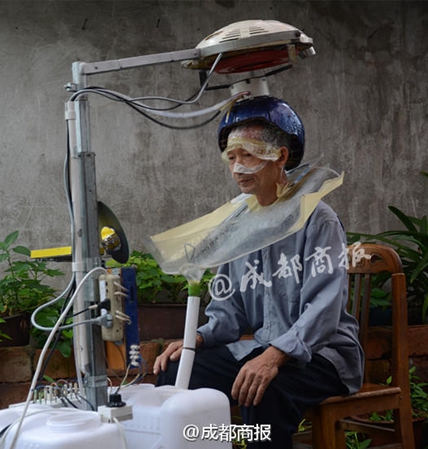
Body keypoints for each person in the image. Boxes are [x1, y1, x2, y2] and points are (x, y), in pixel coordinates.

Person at [153, 95, 364, 449]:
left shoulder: (318, 219)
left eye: (248, 155)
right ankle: (214, 443)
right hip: (263, 350)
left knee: (262, 391)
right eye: (231, 157)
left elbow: (324, 311)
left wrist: (274, 356)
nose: (237, 168)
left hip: (322, 356)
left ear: (280, 156)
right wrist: (196, 340)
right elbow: (228, 311)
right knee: (175, 372)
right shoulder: (240, 223)